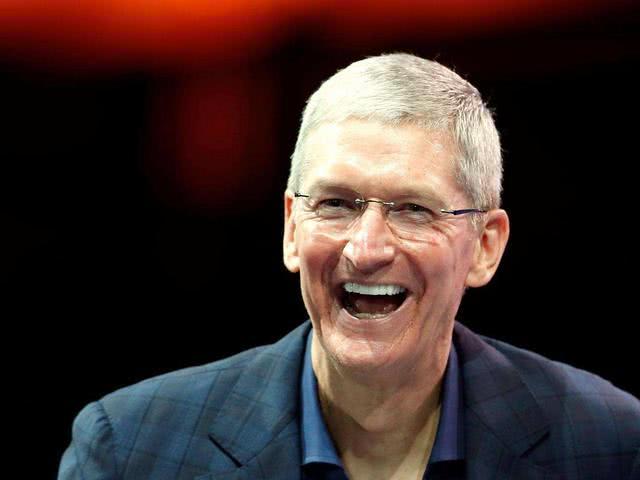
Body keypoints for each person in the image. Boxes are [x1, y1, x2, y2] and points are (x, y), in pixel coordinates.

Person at [58, 53, 640, 480]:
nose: (366, 249)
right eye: (336, 203)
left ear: (485, 245)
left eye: (413, 209)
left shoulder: (612, 443)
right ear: (291, 228)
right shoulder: (129, 448)